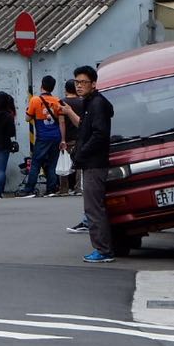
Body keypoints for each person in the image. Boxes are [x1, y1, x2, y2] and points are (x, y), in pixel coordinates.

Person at [60, 65, 115, 263]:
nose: (80, 86)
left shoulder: (97, 104)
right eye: (77, 82)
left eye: (83, 82)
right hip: (90, 162)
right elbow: (85, 128)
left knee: (93, 208)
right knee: (93, 207)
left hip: (94, 163)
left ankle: (103, 250)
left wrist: (82, 153)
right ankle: (103, 248)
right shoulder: (89, 103)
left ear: (93, 84)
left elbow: (99, 134)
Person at [18, 76, 66, 197]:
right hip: (56, 136)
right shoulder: (58, 101)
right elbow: (62, 122)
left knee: (36, 163)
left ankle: (29, 189)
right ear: (53, 87)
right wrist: (63, 139)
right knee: (53, 163)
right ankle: (51, 189)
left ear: (41, 85)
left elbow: (27, 118)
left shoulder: (35, 100)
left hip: (42, 137)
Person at [62, 78, 84, 197]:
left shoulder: (62, 102)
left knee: (64, 162)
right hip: (80, 136)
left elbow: (62, 123)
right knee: (79, 163)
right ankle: (78, 187)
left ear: (65, 89)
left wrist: (62, 139)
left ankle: (64, 188)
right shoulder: (83, 102)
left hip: (67, 137)